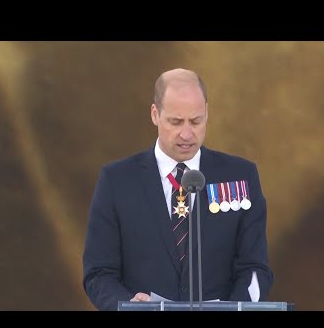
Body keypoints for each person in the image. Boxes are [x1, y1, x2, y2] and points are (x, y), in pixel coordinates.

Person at [82, 68, 273, 310]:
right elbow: (99, 273)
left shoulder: (240, 177)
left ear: (207, 114)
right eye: (175, 121)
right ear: (155, 114)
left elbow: (255, 269)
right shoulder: (117, 181)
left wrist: (237, 307)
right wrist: (126, 305)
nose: (186, 133)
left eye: (196, 121)